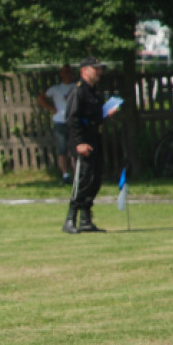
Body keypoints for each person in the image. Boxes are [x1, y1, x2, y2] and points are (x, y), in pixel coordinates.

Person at [62, 57, 109, 234]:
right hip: (83, 143)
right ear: (84, 71)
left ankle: (86, 220)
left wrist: (106, 113)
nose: (99, 72)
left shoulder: (93, 92)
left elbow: (92, 116)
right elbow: (72, 118)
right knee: (83, 179)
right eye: (95, 68)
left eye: (99, 68)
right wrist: (79, 143)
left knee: (94, 180)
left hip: (95, 140)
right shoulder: (78, 91)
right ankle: (70, 220)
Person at [35, 64, 76, 184]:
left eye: (69, 71)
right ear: (61, 74)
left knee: (74, 151)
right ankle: (65, 175)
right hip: (59, 121)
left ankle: (77, 175)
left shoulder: (76, 87)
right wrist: (51, 108)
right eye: (65, 72)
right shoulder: (56, 88)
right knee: (62, 150)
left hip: (73, 121)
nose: (67, 74)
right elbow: (40, 98)